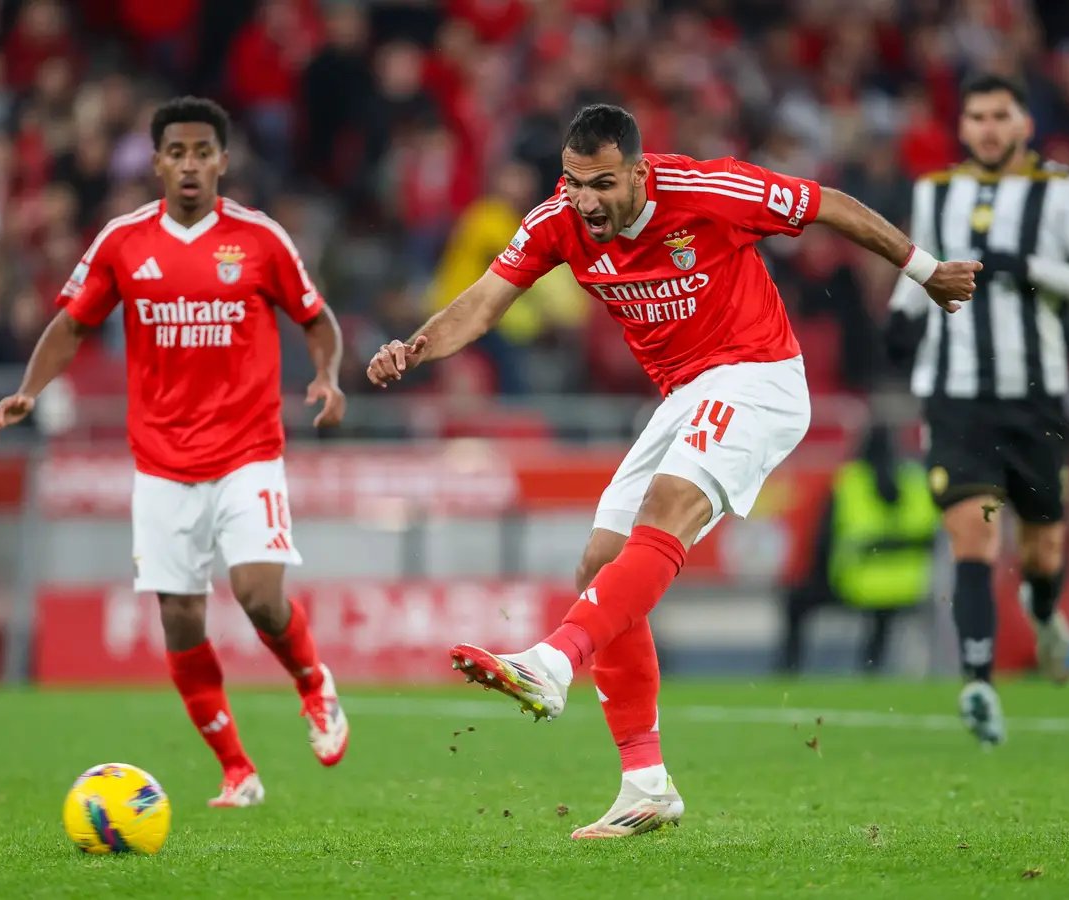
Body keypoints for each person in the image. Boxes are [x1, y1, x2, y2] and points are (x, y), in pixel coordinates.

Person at [366, 104, 978, 839]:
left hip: (758, 375)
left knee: (665, 509)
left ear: (637, 172)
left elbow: (828, 205)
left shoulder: (707, 190)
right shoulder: (557, 220)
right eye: (573, 183)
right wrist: (415, 347)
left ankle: (553, 661)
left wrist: (926, 272)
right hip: (685, 393)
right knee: (600, 562)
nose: (585, 200)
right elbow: (485, 302)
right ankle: (645, 784)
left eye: (600, 184)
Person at [0, 97, 349, 807]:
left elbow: (316, 316)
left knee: (258, 596)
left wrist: (328, 375)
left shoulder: (260, 238)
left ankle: (313, 683)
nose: (189, 164)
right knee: (180, 620)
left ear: (222, 161)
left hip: (247, 451)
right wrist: (28, 391)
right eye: (175, 152)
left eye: (201, 152)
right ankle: (237, 770)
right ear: (156, 162)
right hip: (161, 464)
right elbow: (72, 324)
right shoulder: (123, 241)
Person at [887, 73, 1069, 745]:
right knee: (972, 536)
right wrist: (900, 313)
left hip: (1033, 398)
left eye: (1000, 116)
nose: (988, 128)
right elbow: (918, 269)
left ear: (1024, 124)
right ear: (963, 126)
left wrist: (1030, 267)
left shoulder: (1063, 191)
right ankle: (978, 682)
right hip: (955, 398)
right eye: (976, 116)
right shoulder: (935, 190)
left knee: (1043, 550)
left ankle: (1043, 611)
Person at [776, 423, 939, 674]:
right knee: (884, 611)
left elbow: (823, 542)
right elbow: (932, 538)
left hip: (857, 584)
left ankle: (789, 668)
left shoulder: (850, 482)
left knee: (796, 603)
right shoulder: (916, 482)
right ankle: (872, 667)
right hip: (909, 587)